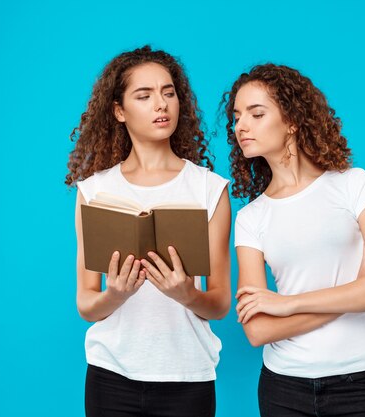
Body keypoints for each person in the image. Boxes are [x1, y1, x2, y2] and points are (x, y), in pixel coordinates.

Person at [222, 63, 365, 417]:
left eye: (256, 113)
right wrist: (358, 289)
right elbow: (258, 330)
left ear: (292, 120)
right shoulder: (250, 219)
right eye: (236, 117)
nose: (240, 126)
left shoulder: (352, 185)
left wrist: (288, 304)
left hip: (361, 381)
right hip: (284, 387)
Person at [65, 46, 231, 417]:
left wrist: (186, 293)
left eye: (168, 92)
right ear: (119, 111)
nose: (161, 104)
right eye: (145, 95)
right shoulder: (94, 192)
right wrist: (117, 294)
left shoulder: (210, 189)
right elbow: (87, 305)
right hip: (111, 378)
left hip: (188, 377)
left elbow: (220, 303)